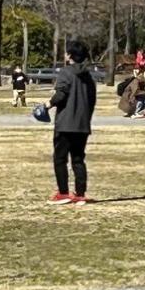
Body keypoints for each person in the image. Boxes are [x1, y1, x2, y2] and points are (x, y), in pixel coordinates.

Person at [47, 39, 97, 204]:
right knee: (78, 159)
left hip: (66, 123)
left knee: (60, 158)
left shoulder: (65, 72)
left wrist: (48, 104)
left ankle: (63, 193)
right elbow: (92, 100)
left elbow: (61, 94)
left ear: (70, 55)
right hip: (82, 125)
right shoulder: (89, 76)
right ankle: (80, 194)